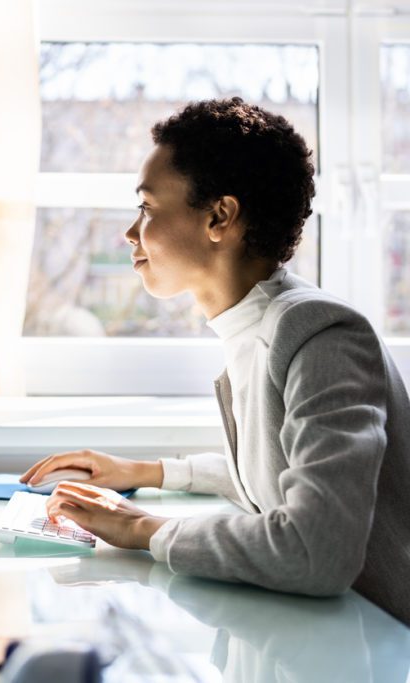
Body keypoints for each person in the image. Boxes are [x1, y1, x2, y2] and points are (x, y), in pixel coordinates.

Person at [21, 97, 410, 626]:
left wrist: (143, 529)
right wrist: (150, 472)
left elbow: (318, 551)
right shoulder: (260, 326)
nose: (131, 233)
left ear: (219, 217)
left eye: (148, 208)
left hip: (380, 645)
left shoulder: (321, 334)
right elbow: (276, 469)